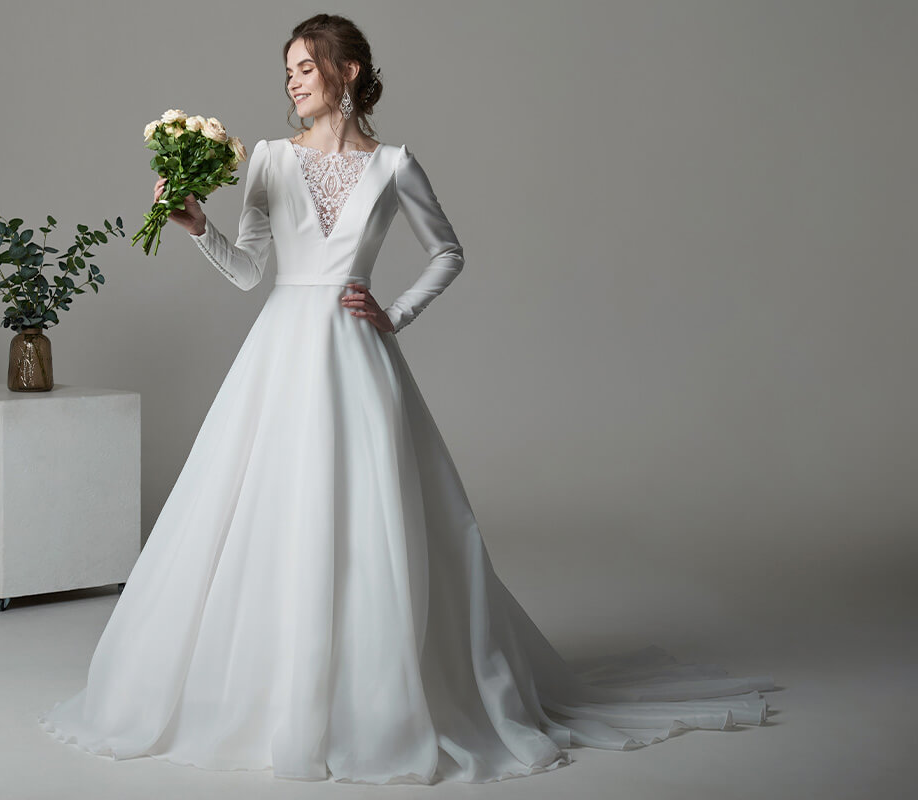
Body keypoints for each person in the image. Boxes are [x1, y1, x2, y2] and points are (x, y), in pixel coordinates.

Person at [39, 13, 777, 785]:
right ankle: (268, 693)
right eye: (286, 69)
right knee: (266, 516)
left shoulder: (393, 165)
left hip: (356, 356)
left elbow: (448, 252)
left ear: (347, 70)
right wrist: (196, 226)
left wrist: (394, 314)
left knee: (371, 523)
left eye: (304, 66)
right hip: (279, 358)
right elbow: (250, 272)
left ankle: (381, 699)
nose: (290, 80)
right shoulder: (264, 160)